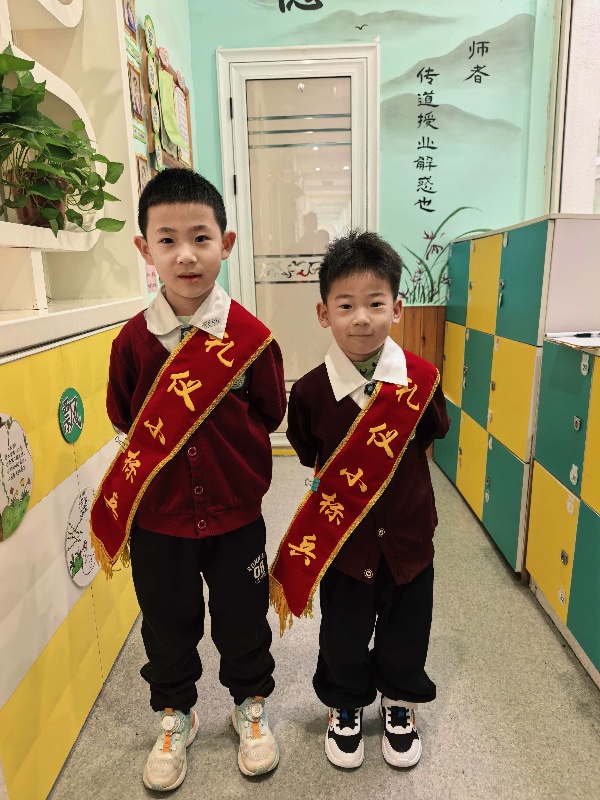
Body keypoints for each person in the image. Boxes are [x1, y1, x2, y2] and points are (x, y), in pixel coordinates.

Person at [90, 169, 286, 791]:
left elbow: (270, 412)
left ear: (225, 243)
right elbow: (124, 416)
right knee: (166, 622)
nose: (186, 255)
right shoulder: (132, 343)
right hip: (159, 520)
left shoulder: (252, 340)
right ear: (144, 249)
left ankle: (249, 705)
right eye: (167, 240)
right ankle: (176, 713)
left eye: (200, 237)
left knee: (243, 617)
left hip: (236, 516)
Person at [270, 229, 449, 770]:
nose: (362, 319)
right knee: (343, 630)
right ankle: (345, 702)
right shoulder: (309, 391)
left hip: (409, 537)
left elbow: (431, 430)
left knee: (407, 627)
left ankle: (399, 699)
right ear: (324, 313)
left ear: (397, 307)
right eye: (346, 305)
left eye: (376, 303)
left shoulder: (422, 379)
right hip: (343, 541)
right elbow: (307, 448)